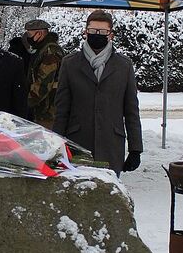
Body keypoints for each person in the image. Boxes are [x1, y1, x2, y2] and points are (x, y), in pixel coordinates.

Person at [53, 10, 142, 175]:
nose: (97, 34)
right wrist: (55, 144)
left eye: (102, 32)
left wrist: (135, 149)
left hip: (111, 145)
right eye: (93, 31)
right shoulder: (70, 63)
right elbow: (61, 109)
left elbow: (131, 111)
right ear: (85, 32)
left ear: (111, 35)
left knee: (108, 195)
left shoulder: (124, 65)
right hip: (77, 143)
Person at [22, 18, 64, 129]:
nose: (28, 38)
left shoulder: (50, 52)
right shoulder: (43, 50)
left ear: (39, 33)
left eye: (29, 34)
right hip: (43, 110)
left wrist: (24, 102)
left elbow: (44, 84)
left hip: (48, 113)